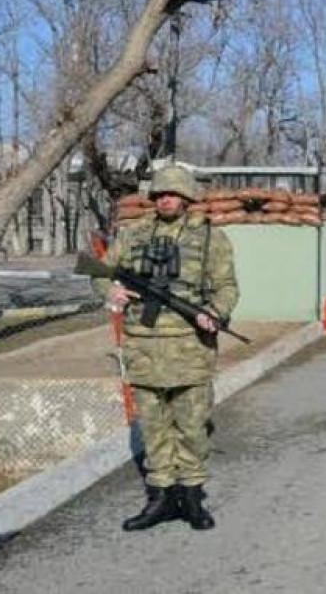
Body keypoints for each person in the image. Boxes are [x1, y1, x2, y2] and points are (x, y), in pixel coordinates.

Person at [94, 164, 238, 532]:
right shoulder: (133, 235)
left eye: (173, 194)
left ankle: (191, 496)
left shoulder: (210, 237)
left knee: (192, 427)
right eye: (160, 194)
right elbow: (99, 271)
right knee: (153, 428)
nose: (166, 200)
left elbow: (226, 286)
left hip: (190, 347)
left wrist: (215, 312)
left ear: (187, 198)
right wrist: (109, 290)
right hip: (143, 347)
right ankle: (160, 497)